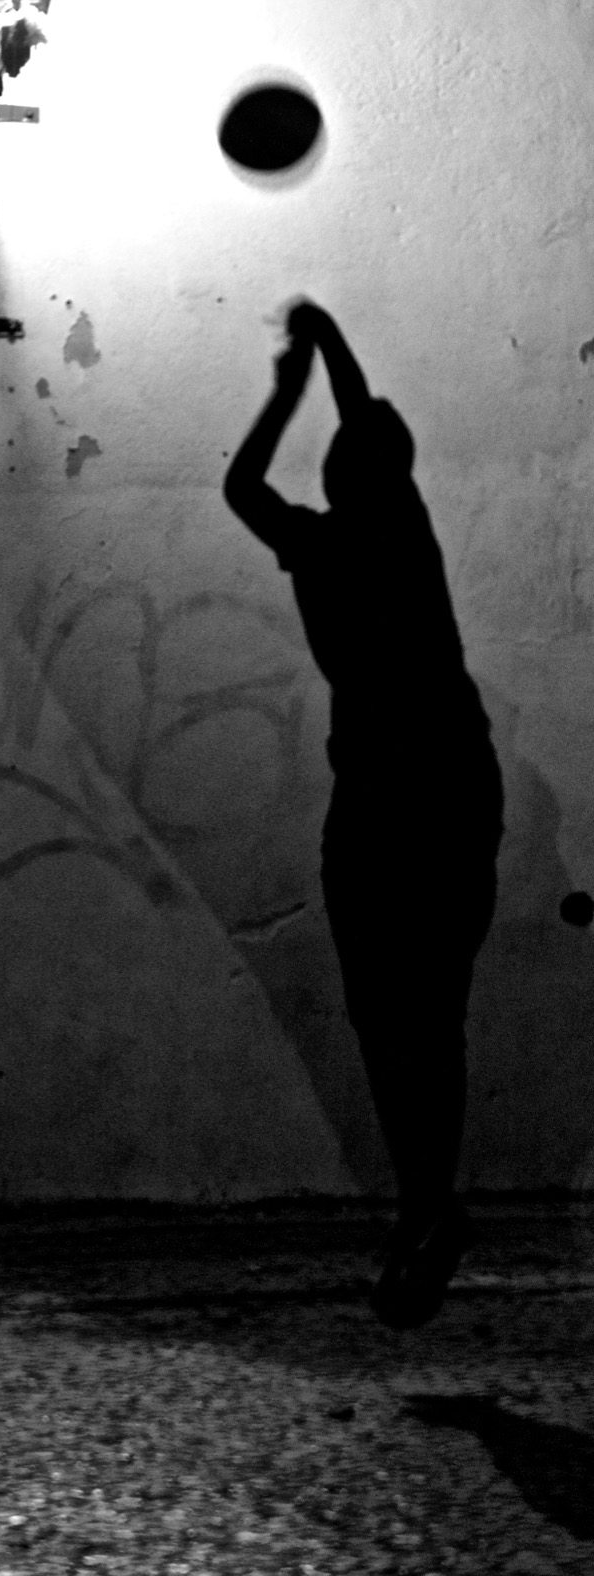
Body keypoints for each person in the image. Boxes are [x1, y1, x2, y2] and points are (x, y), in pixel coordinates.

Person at [223, 300, 503, 1326]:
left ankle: (423, 1205)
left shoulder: (317, 542)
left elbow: (239, 485)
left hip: (383, 799)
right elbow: (366, 418)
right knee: (431, 1013)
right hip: (451, 787)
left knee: (387, 1019)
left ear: (337, 472)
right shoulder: (401, 533)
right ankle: (426, 1204)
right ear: (397, 472)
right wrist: (331, 347)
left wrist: (286, 387)